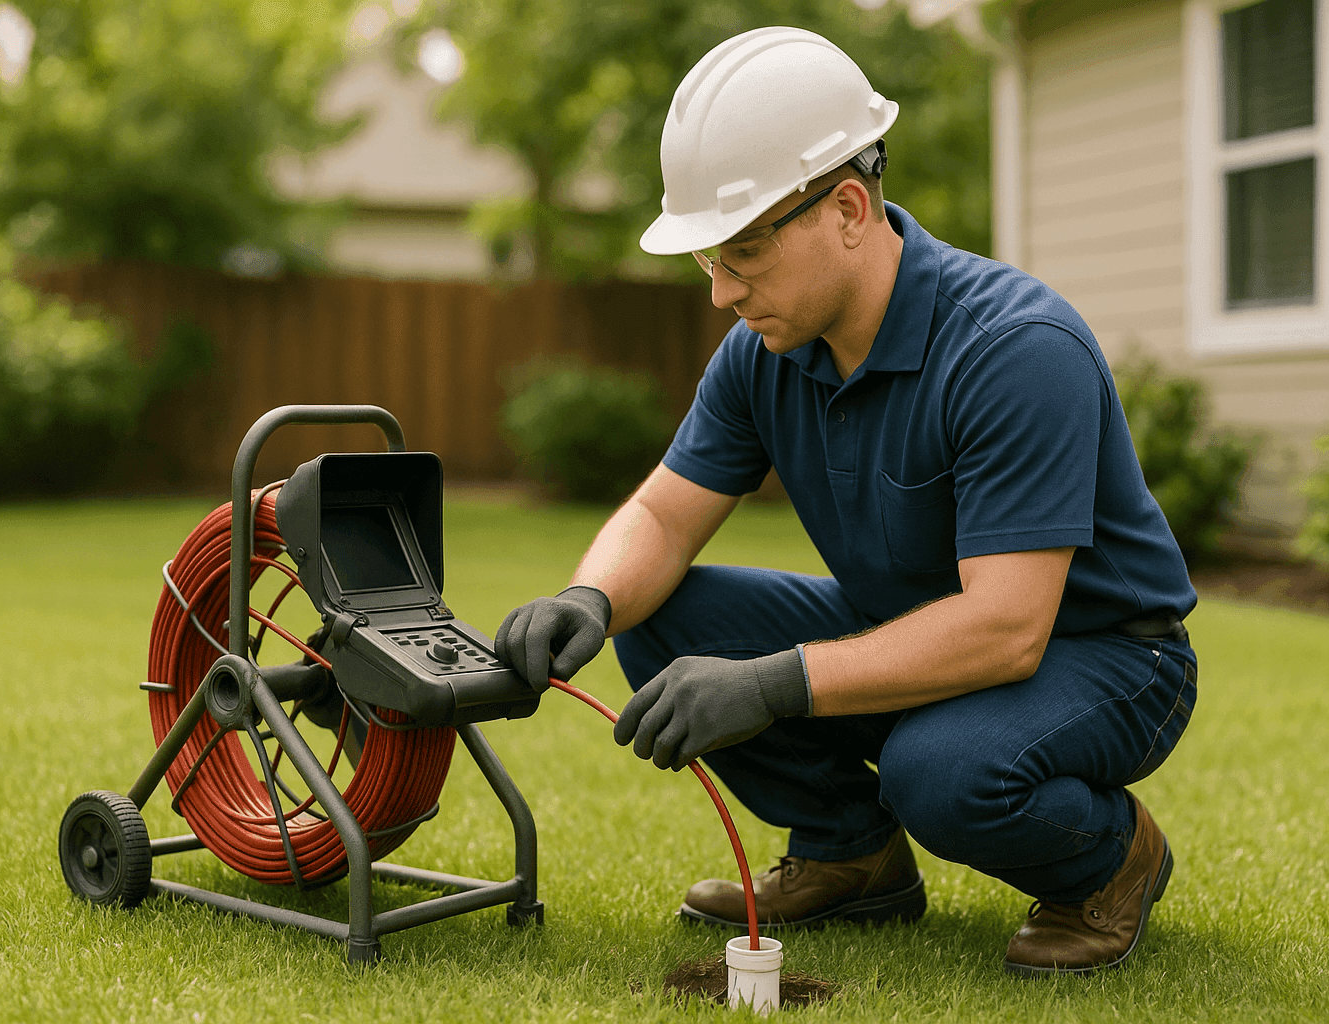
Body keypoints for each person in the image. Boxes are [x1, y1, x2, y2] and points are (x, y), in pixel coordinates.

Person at [496, 25, 1198, 977]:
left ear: (851, 209)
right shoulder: (763, 354)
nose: (721, 293)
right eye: (708, 259)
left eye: (743, 250)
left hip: (1105, 654)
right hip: (910, 624)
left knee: (938, 773)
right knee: (659, 616)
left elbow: (1005, 629)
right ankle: (851, 856)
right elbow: (662, 517)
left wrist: (771, 682)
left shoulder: (1016, 348)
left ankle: (1110, 861)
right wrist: (588, 599)